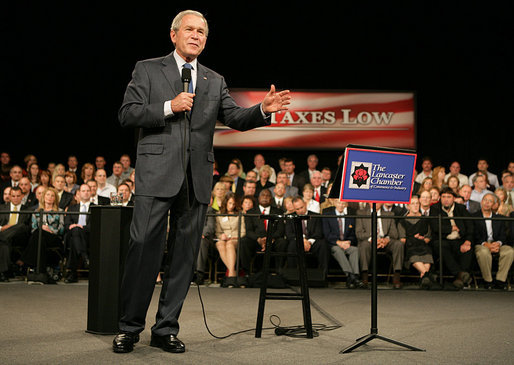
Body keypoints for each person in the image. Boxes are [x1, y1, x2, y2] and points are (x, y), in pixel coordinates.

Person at [113, 9, 291, 354]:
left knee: (183, 258)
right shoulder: (147, 69)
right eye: (190, 30)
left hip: (196, 179)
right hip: (155, 176)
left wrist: (263, 109)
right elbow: (128, 113)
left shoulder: (214, 79)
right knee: (143, 253)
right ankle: (129, 328)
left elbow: (236, 118)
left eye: (202, 32)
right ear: (174, 35)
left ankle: (165, 329)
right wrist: (168, 105)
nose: (196, 35)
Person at [429, 187, 473, 289]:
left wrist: (467, 241)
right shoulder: (435, 208)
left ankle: (459, 279)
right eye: (443, 197)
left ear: (453, 198)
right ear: (440, 198)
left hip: (459, 239)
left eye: (449, 197)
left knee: (467, 249)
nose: (446, 199)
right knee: (441, 245)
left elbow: (470, 226)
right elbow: (435, 227)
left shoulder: (460, 208)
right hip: (443, 239)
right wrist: (451, 228)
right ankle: (460, 274)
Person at [239, 189, 287, 281]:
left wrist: (270, 238)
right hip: (256, 241)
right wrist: (258, 239)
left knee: (282, 242)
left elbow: (280, 230)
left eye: (267, 195)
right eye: (263, 195)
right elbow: (249, 231)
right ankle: (247, 274)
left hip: (273, 240)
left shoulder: (278, 212)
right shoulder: (251, 212)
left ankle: (279, 273)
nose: (265, 197)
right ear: (258, 198)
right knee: (244, 241)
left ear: (271, 199)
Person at [18, 187, 64, 282]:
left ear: (55, 198)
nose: (50, 197)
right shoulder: (37, 212)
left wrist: (50, 230)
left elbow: (62, 228)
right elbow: (33, 228)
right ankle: (42, 271)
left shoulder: (60, 211)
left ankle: (26, 261)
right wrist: (42, 229)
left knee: (39, 233)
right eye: (48, 195)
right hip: (40, 237)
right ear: (43, 197)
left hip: (54, 237)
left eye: (52, 195)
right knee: (39, 236)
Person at [356, 203, 404, 289]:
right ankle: (364, 278)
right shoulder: (361, 214)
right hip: (369, 240)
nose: (375, 203)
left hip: (385, 240)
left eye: (377, 201)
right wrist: (372, 239)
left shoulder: (389, 214)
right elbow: (359, 234)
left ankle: (396, 277)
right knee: (364, 245)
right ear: (368, 202)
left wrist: (386, 240)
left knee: (398, 244)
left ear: (381, 203)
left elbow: (394, 234)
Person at [472, 193, 513, 290]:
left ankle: (500, 280)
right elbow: (474, 235)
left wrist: (498, 243)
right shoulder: (474, 217)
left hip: (496, 243)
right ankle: (488, 280)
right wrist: (486, 244)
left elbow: (503, 235)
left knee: (509, 251)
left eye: (490, 201)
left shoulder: (498, 218)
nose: (487, 203)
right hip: (481, 244)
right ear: (481, 202)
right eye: (485, 200)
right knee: (483, 252)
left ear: (494, 204)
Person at [322, 199, 363, 288]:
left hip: (346, 243)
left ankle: (354, 276)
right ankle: (351, 276)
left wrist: (349, 242)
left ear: (346, 204)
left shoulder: (349, 217)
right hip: (334, 244)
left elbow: (352, 234)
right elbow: (326, 234)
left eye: (343, 203)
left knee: (354, 250)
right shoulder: (328, 216)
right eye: (338, 203)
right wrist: (338, 242)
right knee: (337, 250)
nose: (341, 205)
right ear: (334, 203)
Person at [285, 197, 328, 277]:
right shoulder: (290, 218)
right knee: (291, 245)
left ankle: (323, 275)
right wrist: (303, 240)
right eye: (297, 209)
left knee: (323, 244)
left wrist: (308, 242)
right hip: (298, 242)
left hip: (312, 242)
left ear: (305, 204)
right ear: (294, 209)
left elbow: (318, 233)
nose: (300, 210)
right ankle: (292, 275)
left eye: (302, 207)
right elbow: (289, 234)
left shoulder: (315, 216)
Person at [397, 196, 434, 289]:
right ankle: (427, 276)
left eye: (417, 203)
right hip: (410, 247)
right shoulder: (402, 221)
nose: (415, 206)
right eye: (412, 203)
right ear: (408, 206)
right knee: (414, 255)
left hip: (423, 246)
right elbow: (402, 239)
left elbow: (428, 238)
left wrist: (421, 239)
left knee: (427, 254)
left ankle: (425, 278)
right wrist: (415, 238)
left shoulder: (425, 219)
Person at [63, 184, 93, 283]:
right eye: (83, 191)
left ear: (91, 193)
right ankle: (84, 257)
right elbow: (66, 224)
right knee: (75, 233)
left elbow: (94, 225)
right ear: (79, 193)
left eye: (88, 190)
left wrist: (81, 227)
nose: (86, 193)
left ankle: (72, 273)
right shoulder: (72, 208)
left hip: (88, 236)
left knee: (74, 239)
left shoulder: (95, 207)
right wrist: (74, 227)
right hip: (73, 234)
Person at [0, 187, 31, 281]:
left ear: (22, 196)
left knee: (21, 226)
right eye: (13, 196)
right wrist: (1, 228)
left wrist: (8, 227)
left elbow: (27, 228)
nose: (16, 198)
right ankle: (3, 273)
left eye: (18, 196)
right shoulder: (1, 208)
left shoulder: (27, 210)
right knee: (4, 244)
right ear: (9, 196)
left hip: (19, 237)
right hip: (6, 237)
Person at [214, 193, 245, 288]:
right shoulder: (219, 214)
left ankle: (230, 276)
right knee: (219, 244)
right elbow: (218, 231)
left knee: (229, 244)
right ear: (225, 203)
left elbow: (243, 232)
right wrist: (221, 236)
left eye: (233, 204)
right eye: (230, 203)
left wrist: (231, 237)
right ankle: (233, 273)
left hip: (235, 239)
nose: (231, 206)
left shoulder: (240, 214)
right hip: (223, 239)